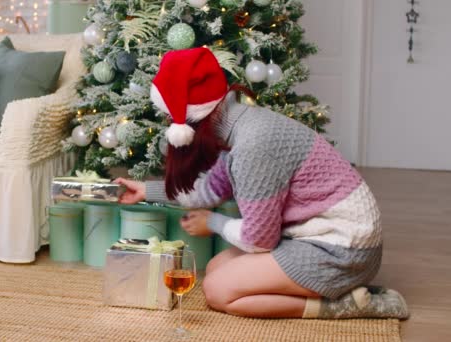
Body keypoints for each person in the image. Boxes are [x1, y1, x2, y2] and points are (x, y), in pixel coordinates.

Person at [115, 47, 409, 319]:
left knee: (218, 291)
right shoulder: (241, 125)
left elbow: (260, 241)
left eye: (170, 117)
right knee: (217, 268)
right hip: (321, 238)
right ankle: (327, 290)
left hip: (344, 251)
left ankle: (339, 306)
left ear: (190, 119)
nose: (170, 125)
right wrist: (147, 191)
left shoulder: (252, 147)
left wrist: (213, 223)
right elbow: (210, 189)